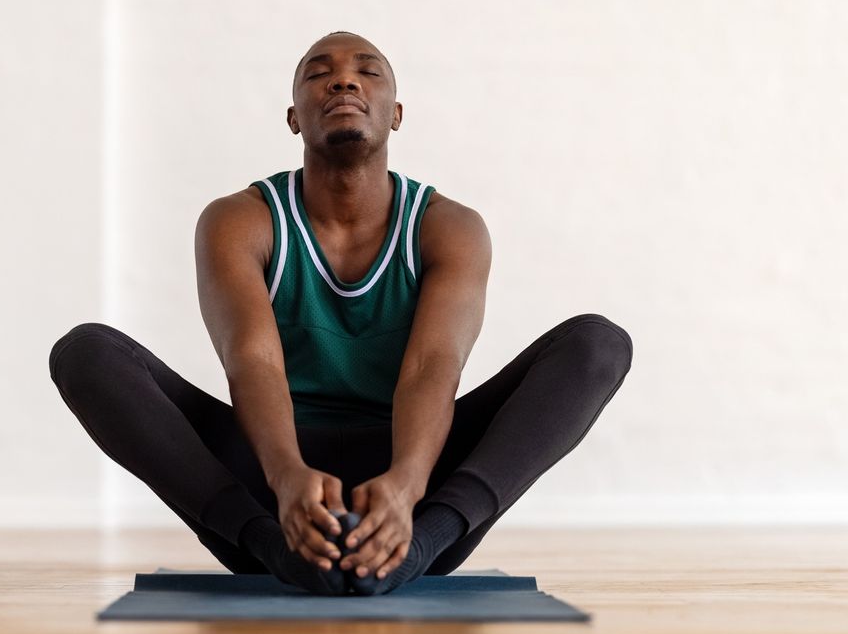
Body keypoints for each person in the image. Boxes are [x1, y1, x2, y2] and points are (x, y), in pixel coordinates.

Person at [48, 31, 633, 596]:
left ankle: (420, 546)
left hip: (419, 484)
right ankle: (277, 549)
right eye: (319, 74)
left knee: (596, 344)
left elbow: (433, 365)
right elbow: (251, 358)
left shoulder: (448, 227)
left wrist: (407, 487)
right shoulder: (239, 220)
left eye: (366, 72)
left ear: (396, 113)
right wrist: (284, 477)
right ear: (294, 117)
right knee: (88, 353)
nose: (343, 82)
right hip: (269, 484)